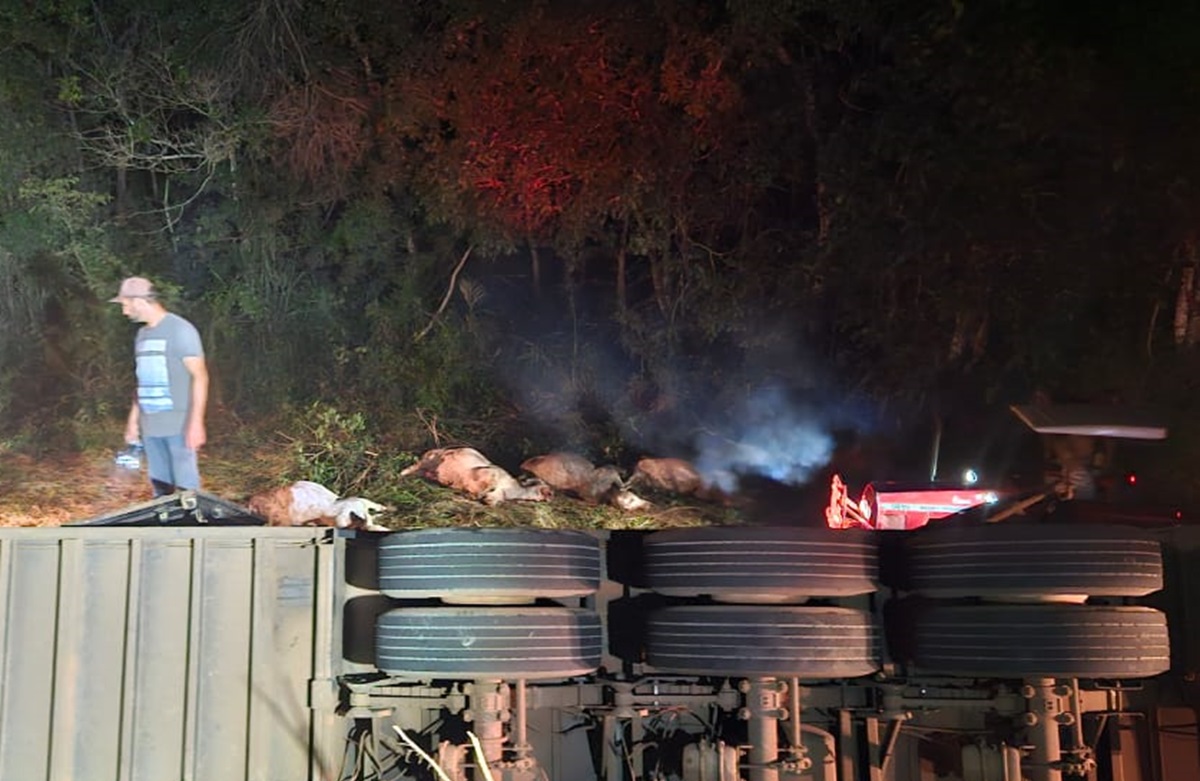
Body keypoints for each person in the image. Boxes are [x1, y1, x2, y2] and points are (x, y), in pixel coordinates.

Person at [110, 276, 209, 496]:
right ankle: (165, 528)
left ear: (139, 301)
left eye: (126, 304)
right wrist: (133, 420)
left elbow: (200, 376)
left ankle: (191, 529)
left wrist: (196, 423)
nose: (125, 311)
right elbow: (142, 380)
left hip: (178, 424)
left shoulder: (181, 330)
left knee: (187, 491)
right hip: (151, 425)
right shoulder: (142, 335)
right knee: (160, 489)